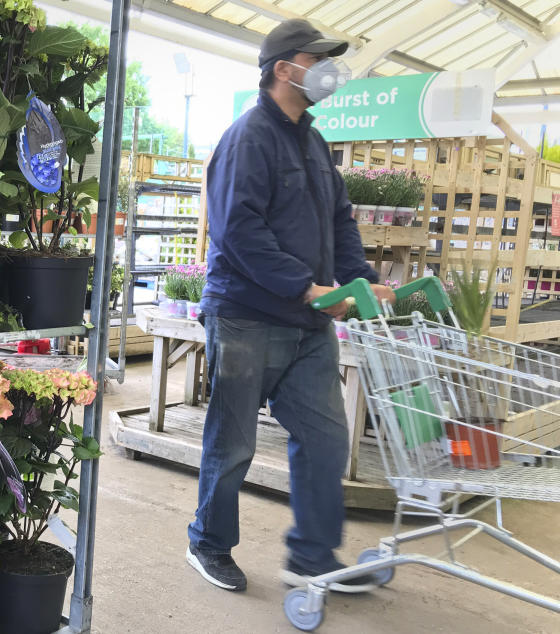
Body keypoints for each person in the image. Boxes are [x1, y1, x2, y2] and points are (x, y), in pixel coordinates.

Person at [185, 18, 396, 594]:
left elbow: (339, 220)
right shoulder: (248, 136)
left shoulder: (312, 139)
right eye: (318, 58)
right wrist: (306, 287)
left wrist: (358, 281)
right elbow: (238, 230)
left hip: (309, 323)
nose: (330, 69)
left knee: (327, 438)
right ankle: (208, 542)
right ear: (284, 67)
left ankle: (313, 557)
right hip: (247, 314)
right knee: (233, 441)